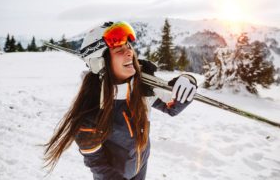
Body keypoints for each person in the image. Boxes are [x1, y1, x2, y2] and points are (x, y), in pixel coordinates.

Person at [44, 21, 197, 180]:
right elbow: (98, 164)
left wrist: (187, 82)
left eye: (129, 46)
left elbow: (172, 108)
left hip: (140, 166)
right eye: (119, 50)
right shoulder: (89, 113)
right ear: (100, 63)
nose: (130, 52)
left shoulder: (140, 89)